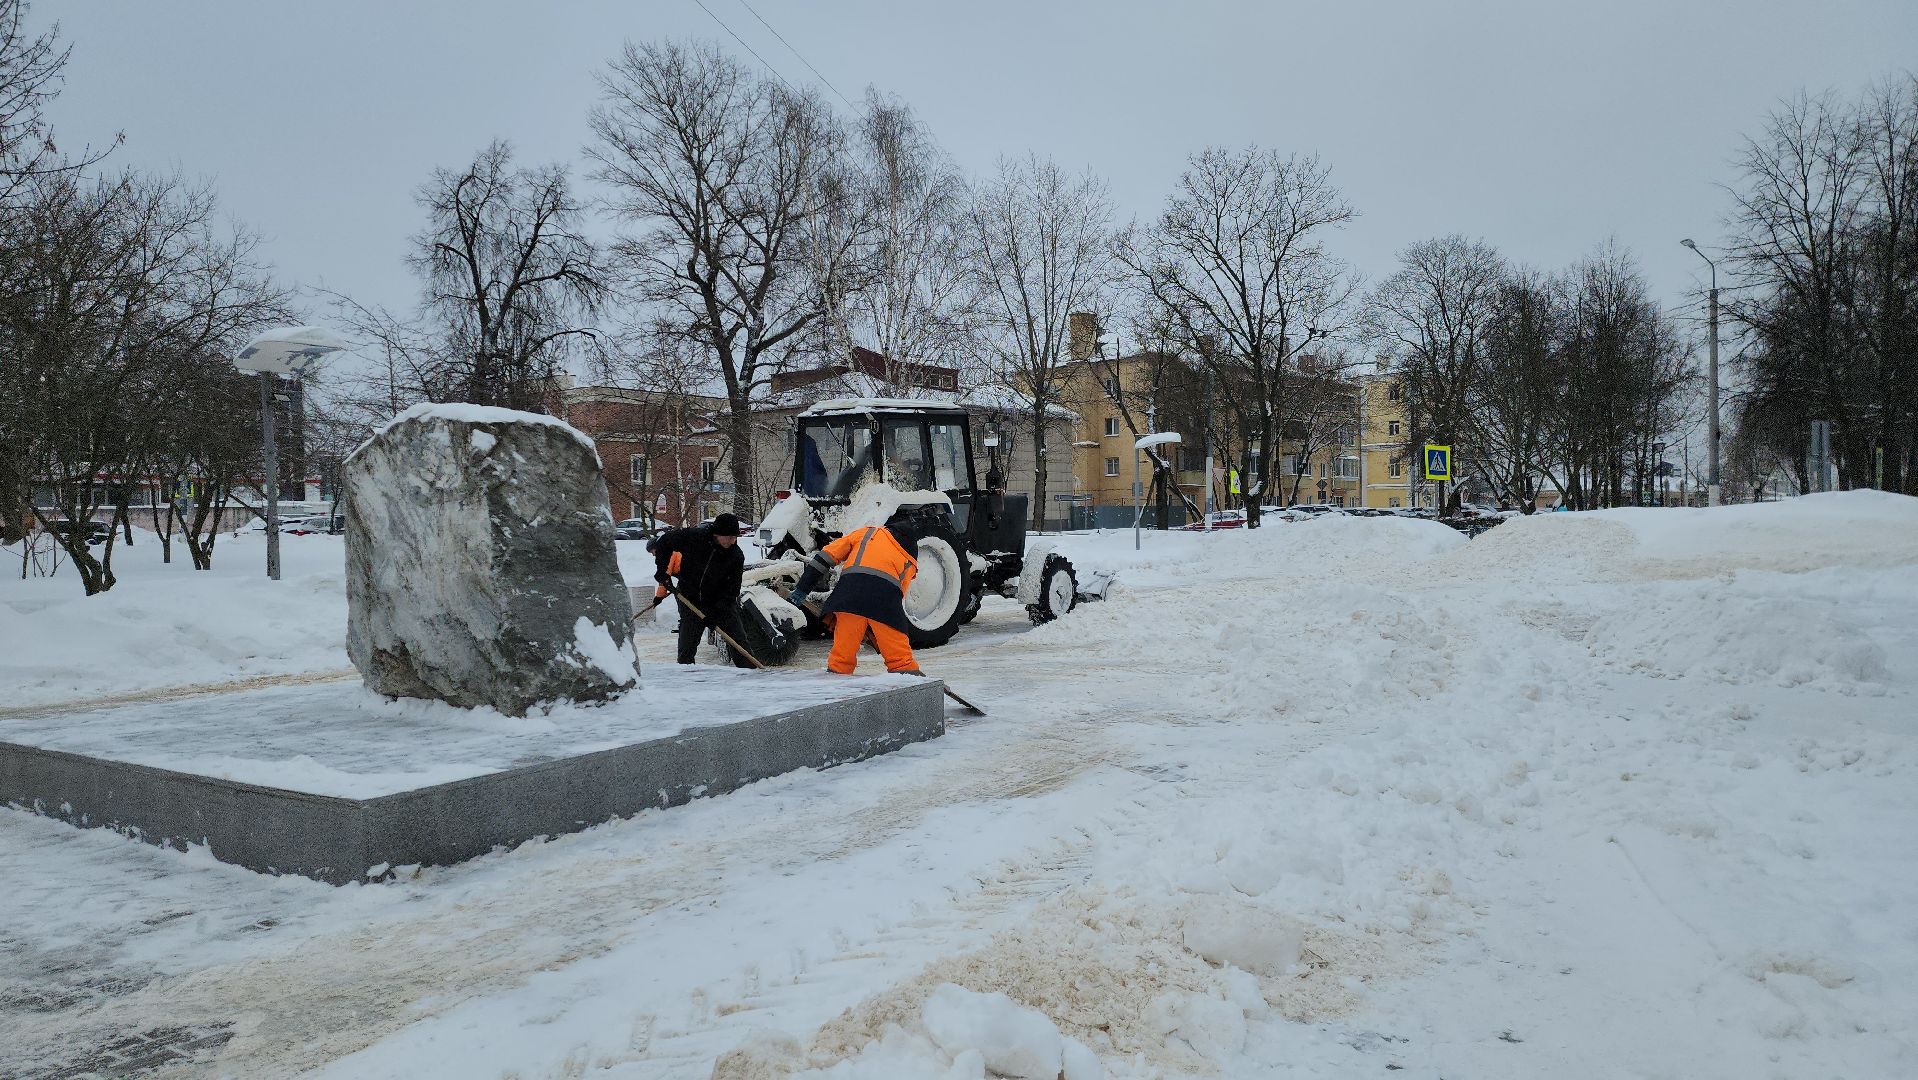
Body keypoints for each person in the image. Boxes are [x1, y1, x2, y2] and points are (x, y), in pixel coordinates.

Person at [787, 515, 923, 676]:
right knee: (900, 659)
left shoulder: (866, 533)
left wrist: (803, 588)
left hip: (848, 597)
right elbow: (895, 597)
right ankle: (914, 686)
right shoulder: (910, 561)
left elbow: (824, 557)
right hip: (884, 604)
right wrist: (876, 630)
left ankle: (838, 690)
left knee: (841, 657)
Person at [652, 513, 747, 665]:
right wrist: (662, 571)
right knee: (686, 651)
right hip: (690, 599)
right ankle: (687, 681)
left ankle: (750, 678)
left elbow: (732, 590)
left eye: (734, 537)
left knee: (740, 644)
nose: (732, 541)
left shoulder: (735, 556)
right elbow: (664, 543)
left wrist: (716, 612)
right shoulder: (694, 538)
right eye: (728, 537)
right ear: (717, 534)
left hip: (720, 603)